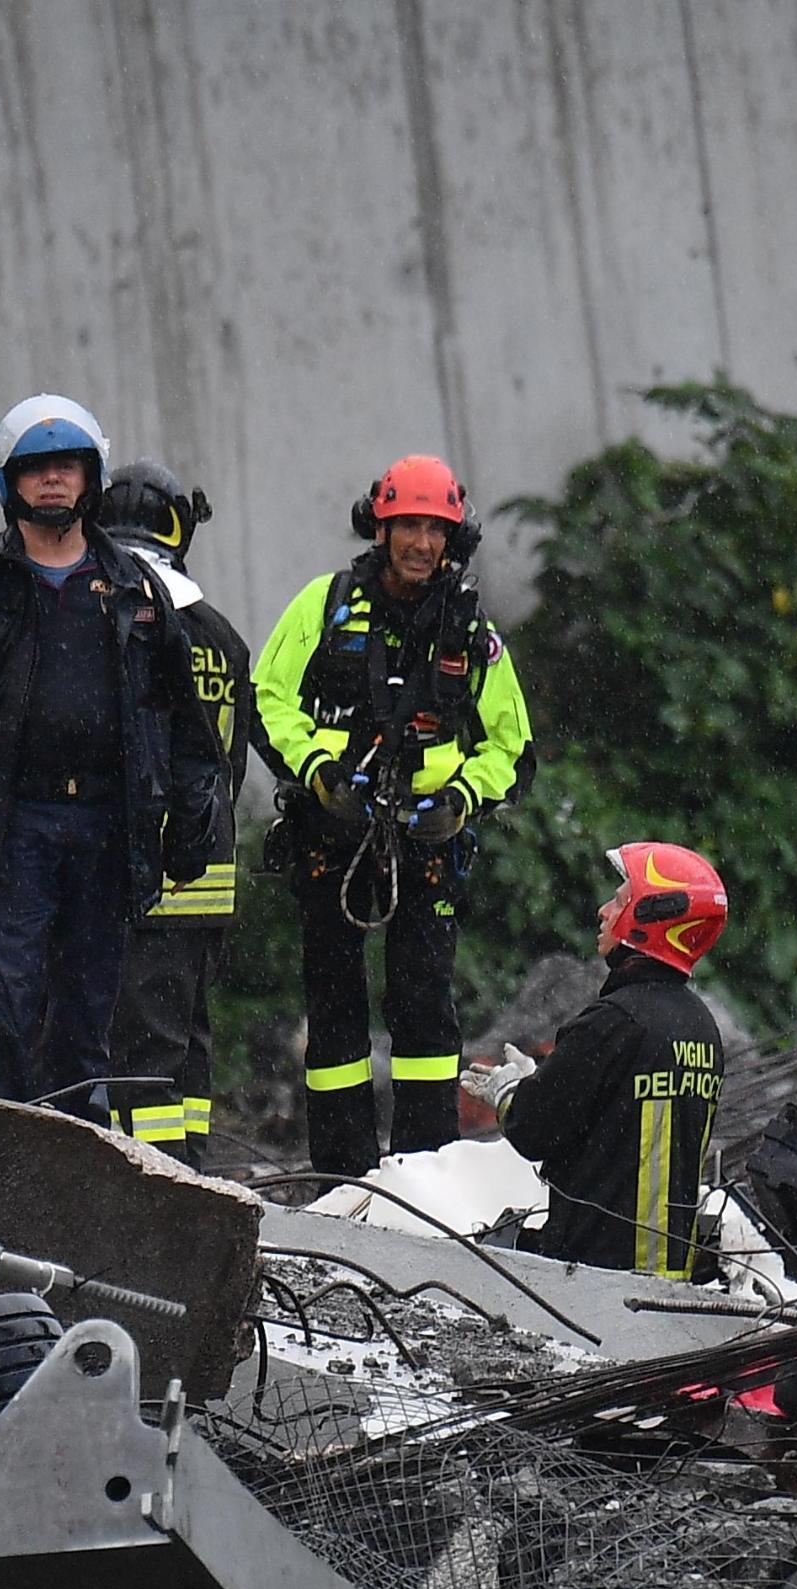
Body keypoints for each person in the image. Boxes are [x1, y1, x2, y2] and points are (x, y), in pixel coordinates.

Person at [0, 394, 216, 1110]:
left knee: (87, 1014)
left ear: (90, 477)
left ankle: (70, 1172)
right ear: (10, 482)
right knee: (3, 1004)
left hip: (105, 828)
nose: (54, 482)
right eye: (37, 469)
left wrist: (188, 834)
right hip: (14, 832)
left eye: (67, 466)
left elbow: (186, 728)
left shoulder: (136, 590)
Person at [252, 454, 534, 1177]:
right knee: (335, 1005)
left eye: (434, 529)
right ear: (380, 525)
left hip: (429, 844)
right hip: (332, 833)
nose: (420, 543)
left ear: (453, 537)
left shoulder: (471, 632)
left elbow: (513, 745)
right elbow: (267, 698)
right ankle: (342, 1172)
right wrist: (317, 772)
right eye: (407, 524)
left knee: (424, 1009)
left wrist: (461, 800)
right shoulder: (327, 603)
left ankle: (425, 1171)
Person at [467, 842, 727, 1277]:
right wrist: (547, 1078)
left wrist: (510, 1090)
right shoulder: (700, 1027)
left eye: (621, 899)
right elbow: (618, 1115)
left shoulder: (614, 1022)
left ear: (649, 918)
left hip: (595, 1275)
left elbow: (534, 1130)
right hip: (671, 1278)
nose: (604, 911)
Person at [96, 459, 251, 1168]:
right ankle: (193, 1169)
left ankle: (161, 1193)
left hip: (148, 871)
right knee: (187, 1044)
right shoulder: (222, 636)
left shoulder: (121, 622)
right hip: (208, 875)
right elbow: (231, 764)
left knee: (142, 1053)